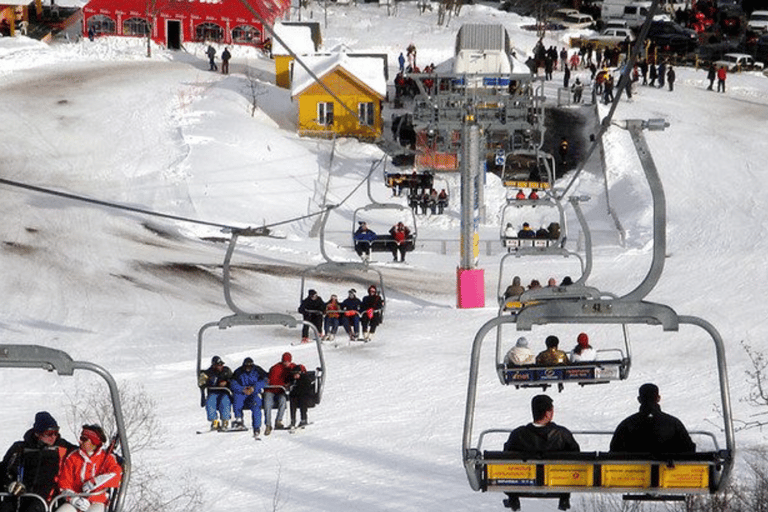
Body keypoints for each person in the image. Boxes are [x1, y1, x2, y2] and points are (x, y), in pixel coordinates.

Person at [503, 395, 579, 510]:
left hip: (523, 485)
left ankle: (513, 498)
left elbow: (506, 456)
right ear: (548, 414)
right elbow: (576, 455)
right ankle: (564, 498)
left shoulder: (517, 435)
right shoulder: (562, 434)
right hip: (558, 485)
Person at [0, 412, 77, 512]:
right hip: (19, 496)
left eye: (56, 432)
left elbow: (85, 455)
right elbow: (3, 470)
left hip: (47, 500)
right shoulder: (20, 448)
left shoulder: (62, 448)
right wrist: (9, 484)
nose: (53, 437)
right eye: (49, 433)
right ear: (37, 433)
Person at [610, 383, 696, 453]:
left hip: (632, 469)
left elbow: (614, 450)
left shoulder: (626, 424)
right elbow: (689, 449)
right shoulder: (674, 423)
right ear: (658, 398)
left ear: (639, 400)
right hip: (668, 468)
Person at [55, 425, 122, 512]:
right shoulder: (73, 457)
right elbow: (64, 483)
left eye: (84, 439)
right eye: (81, 438)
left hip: (97, 500)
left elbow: (117, 475)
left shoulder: (107, 458)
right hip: (76, 499)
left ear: (94, 441)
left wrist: (94, 482)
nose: (80, 441)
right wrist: (74, 499)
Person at [230, 357, 268, 437]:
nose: (248, 368)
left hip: (254, 392)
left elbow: (265, 380)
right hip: (242, 392)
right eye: (246, 366)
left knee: (256, 404)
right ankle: (239, 420)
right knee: (237, 399)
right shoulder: (238, 371)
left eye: (250, 366)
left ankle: (256, 427)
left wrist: (254, 388)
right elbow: (233, 383)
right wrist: (242, 389)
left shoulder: (258, 370)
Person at [263, 352, 299, 435]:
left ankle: (278, 421)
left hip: (281, 391)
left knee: (283, 401)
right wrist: (284, 385)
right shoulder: (276, 368)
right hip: (271, 390)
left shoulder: (292, 367)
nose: (286, 363)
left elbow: (300, 369)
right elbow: (272, 381)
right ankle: (268, 424)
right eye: (284, 361)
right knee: (268, 404)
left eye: (288, 361)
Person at [198, 355, 232, 430]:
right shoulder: (209, 373)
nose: (220, 366)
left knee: (225, 401)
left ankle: (225, 420)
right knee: (210, 402)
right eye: (218, 365)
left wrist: (226, 382)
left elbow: (232, 380)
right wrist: (202, 380)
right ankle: (214, 421)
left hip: (224, 392)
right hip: (213, 392)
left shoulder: (226, 371)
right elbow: (202, 383)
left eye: (221, 365)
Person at [289, 364, 315, 429]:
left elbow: (306, 388)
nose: (295, 376)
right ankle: (293, 420)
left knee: (303, 402)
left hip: (304, 395)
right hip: (296, 396)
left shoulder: (304, 378)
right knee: (292, 402)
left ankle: (303, 419)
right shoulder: (293, 380)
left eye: (296, 374)